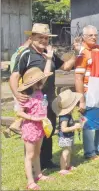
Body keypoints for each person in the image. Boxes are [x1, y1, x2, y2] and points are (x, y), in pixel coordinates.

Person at [10, 23, 78, 170]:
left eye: (46, 38)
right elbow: (14, 76)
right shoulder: (26, 54)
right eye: (40, 37)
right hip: (32, 101)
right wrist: (16, 94)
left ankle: (46, 161)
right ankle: (33, 165)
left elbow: (66, 67)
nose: (44, 40)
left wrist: (76, 53)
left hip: (49, 99)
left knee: (49, 129)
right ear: (32, 37)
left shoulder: (49, 53)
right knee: (33, 133)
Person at [75, 25, 99, 160]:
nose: (94, 37)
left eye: (95, 35)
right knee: (88, 122)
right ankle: (89, 152)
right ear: (84, 37)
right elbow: (78, 78)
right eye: (90, 35)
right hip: (87, 91)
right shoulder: (82, 52)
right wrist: (81, 100)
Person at [16, 67, 54, 190]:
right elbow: (20, 113)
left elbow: (46, 76)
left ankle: (38, 175)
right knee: (30, 155)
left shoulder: (39, 91)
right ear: (32, 83)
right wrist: (34, 118)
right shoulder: (26, 96)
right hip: (30, 127)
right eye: (38, 81)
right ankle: (30, 181)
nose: (41, 83)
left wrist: (48, 59)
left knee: (37, 153)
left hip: (40, 127)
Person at [5, 36, 32, 137]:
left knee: (21, 108)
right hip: (22, 84)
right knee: (26, 108)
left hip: (15, 84)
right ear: (30, 39)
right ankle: (16, 126)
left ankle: (12, 128)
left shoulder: (16, 52)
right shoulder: (25, 53)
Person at [51, 89, 84, 176]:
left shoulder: (68, 114)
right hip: (64, 138)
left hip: (69, 137)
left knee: (69, 151)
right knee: (65, 152)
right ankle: (62, 169)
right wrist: (74, 127)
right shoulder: (64, 116)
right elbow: (64, 129)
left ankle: (68, 166)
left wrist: (76, 126)